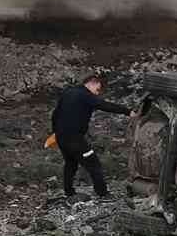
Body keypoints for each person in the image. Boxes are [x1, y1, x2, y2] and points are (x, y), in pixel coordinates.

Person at [51, 73, 139, 201]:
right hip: (75, 138)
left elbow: (55, 114)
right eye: (97, 89)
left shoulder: (68, 92)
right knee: (94, 164)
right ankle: (103, 194)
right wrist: (128, 111)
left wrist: (56, 132)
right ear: (92, 82)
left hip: (61, 137)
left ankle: (69, 192)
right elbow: (104, 105)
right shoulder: (85, 95)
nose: (97, 93)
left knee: (70, 164)